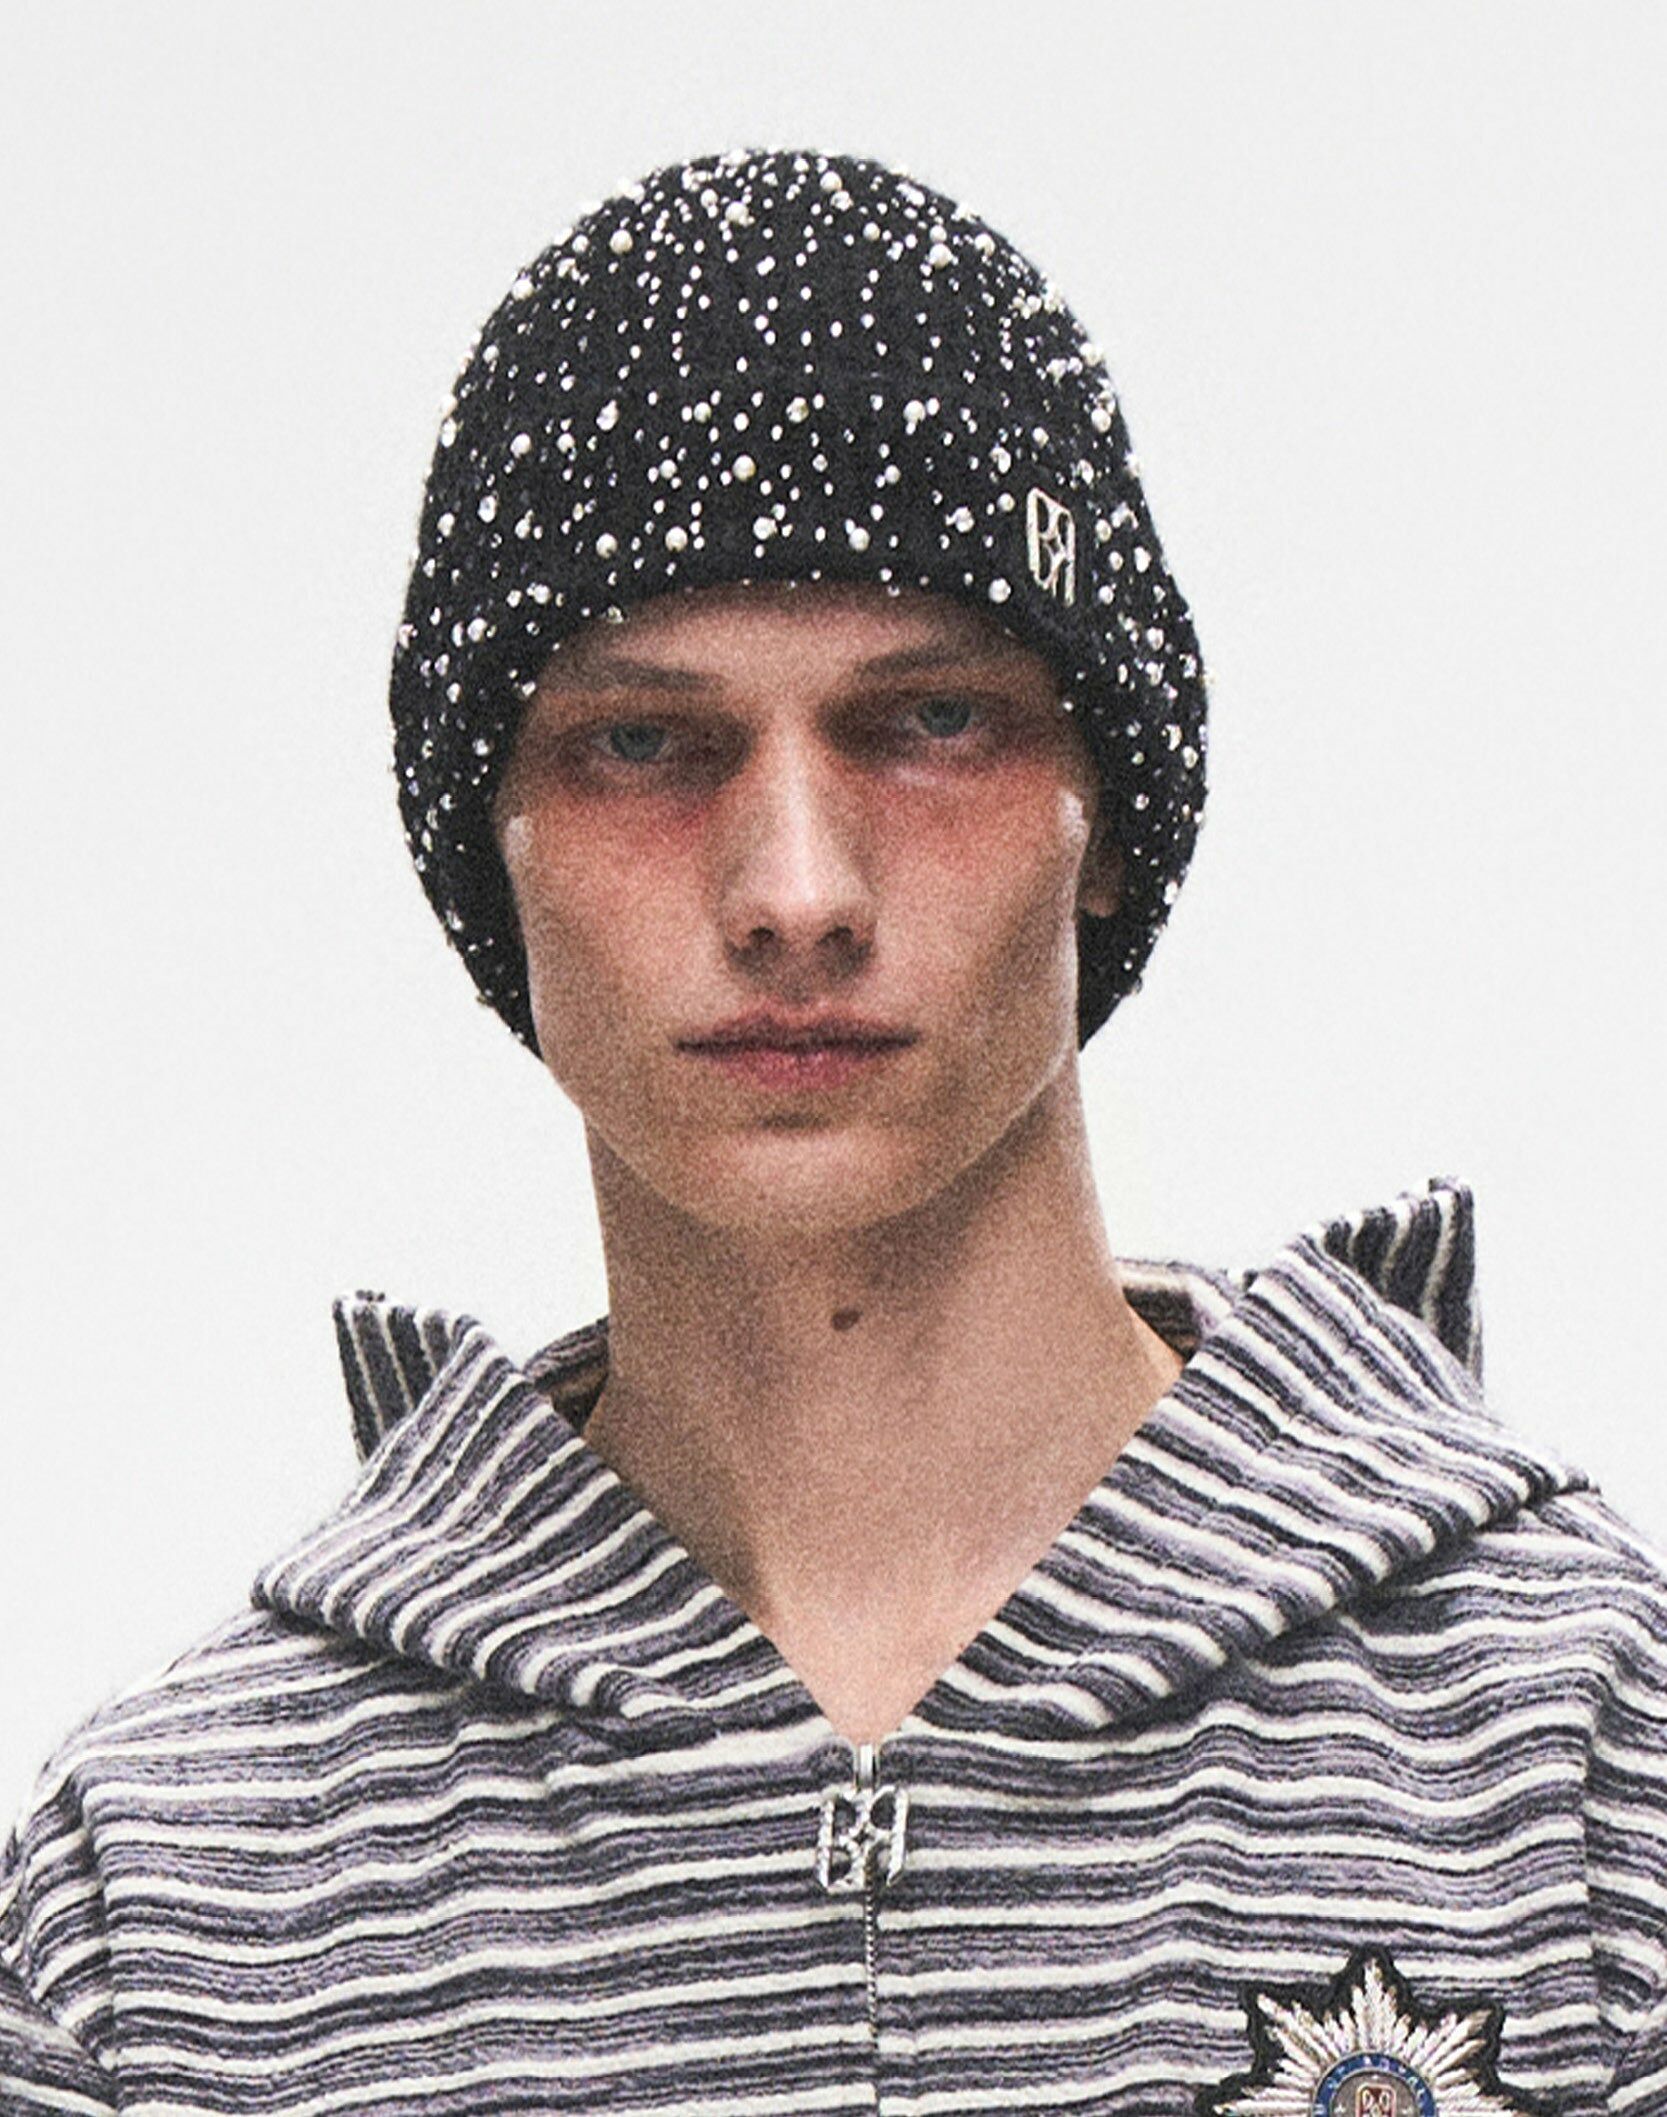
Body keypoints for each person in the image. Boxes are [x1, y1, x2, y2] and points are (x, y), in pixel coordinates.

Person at [3, 147, 1664, 2117]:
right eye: (644, 743)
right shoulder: (168, 1916)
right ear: (493, 849)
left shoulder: (1585, 1772)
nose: (795, 890)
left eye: (930, 721)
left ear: (1107, 809)